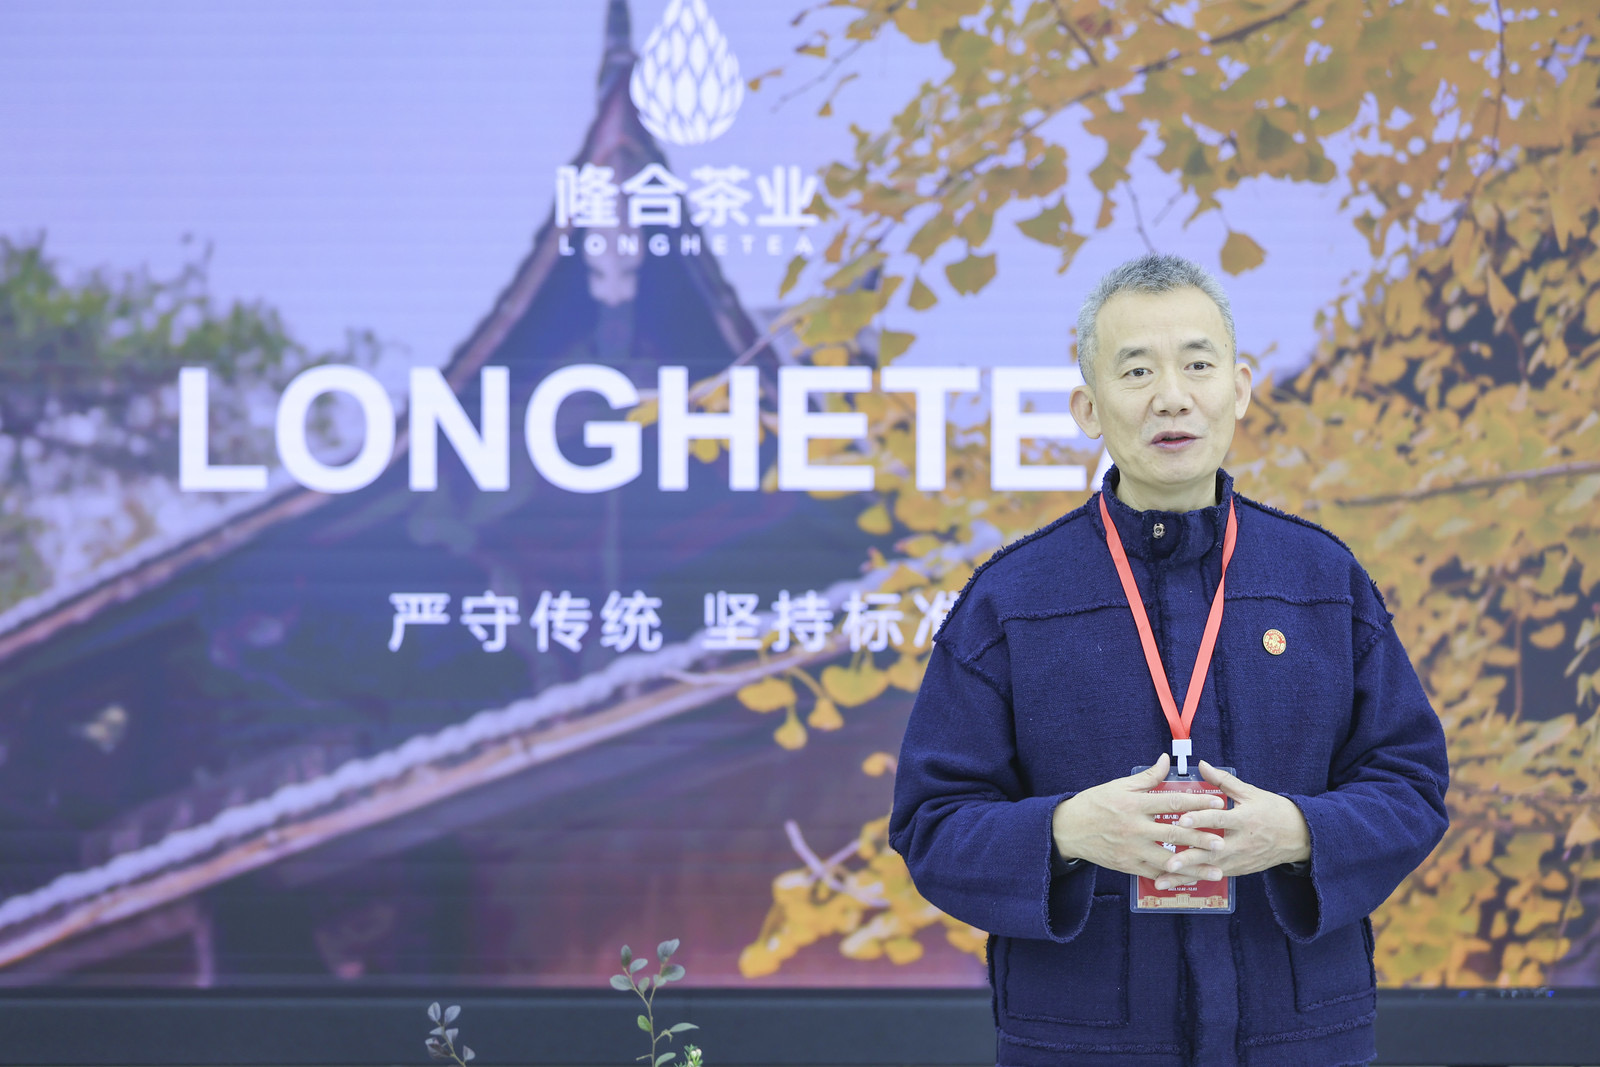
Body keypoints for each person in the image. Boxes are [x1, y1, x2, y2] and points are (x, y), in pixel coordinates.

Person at [888, 253, 1450, 1066]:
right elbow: (932, 823)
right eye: (1137, 370)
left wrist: (1296, 832)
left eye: (1197, 364)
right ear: (1088, 407)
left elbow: (1411, 785)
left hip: (1301, 1039)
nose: (1172, 395)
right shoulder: (1012, 598)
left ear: (1241, 388)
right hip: (1081, 1043)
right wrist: (1068, 831)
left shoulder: (1322, 579)